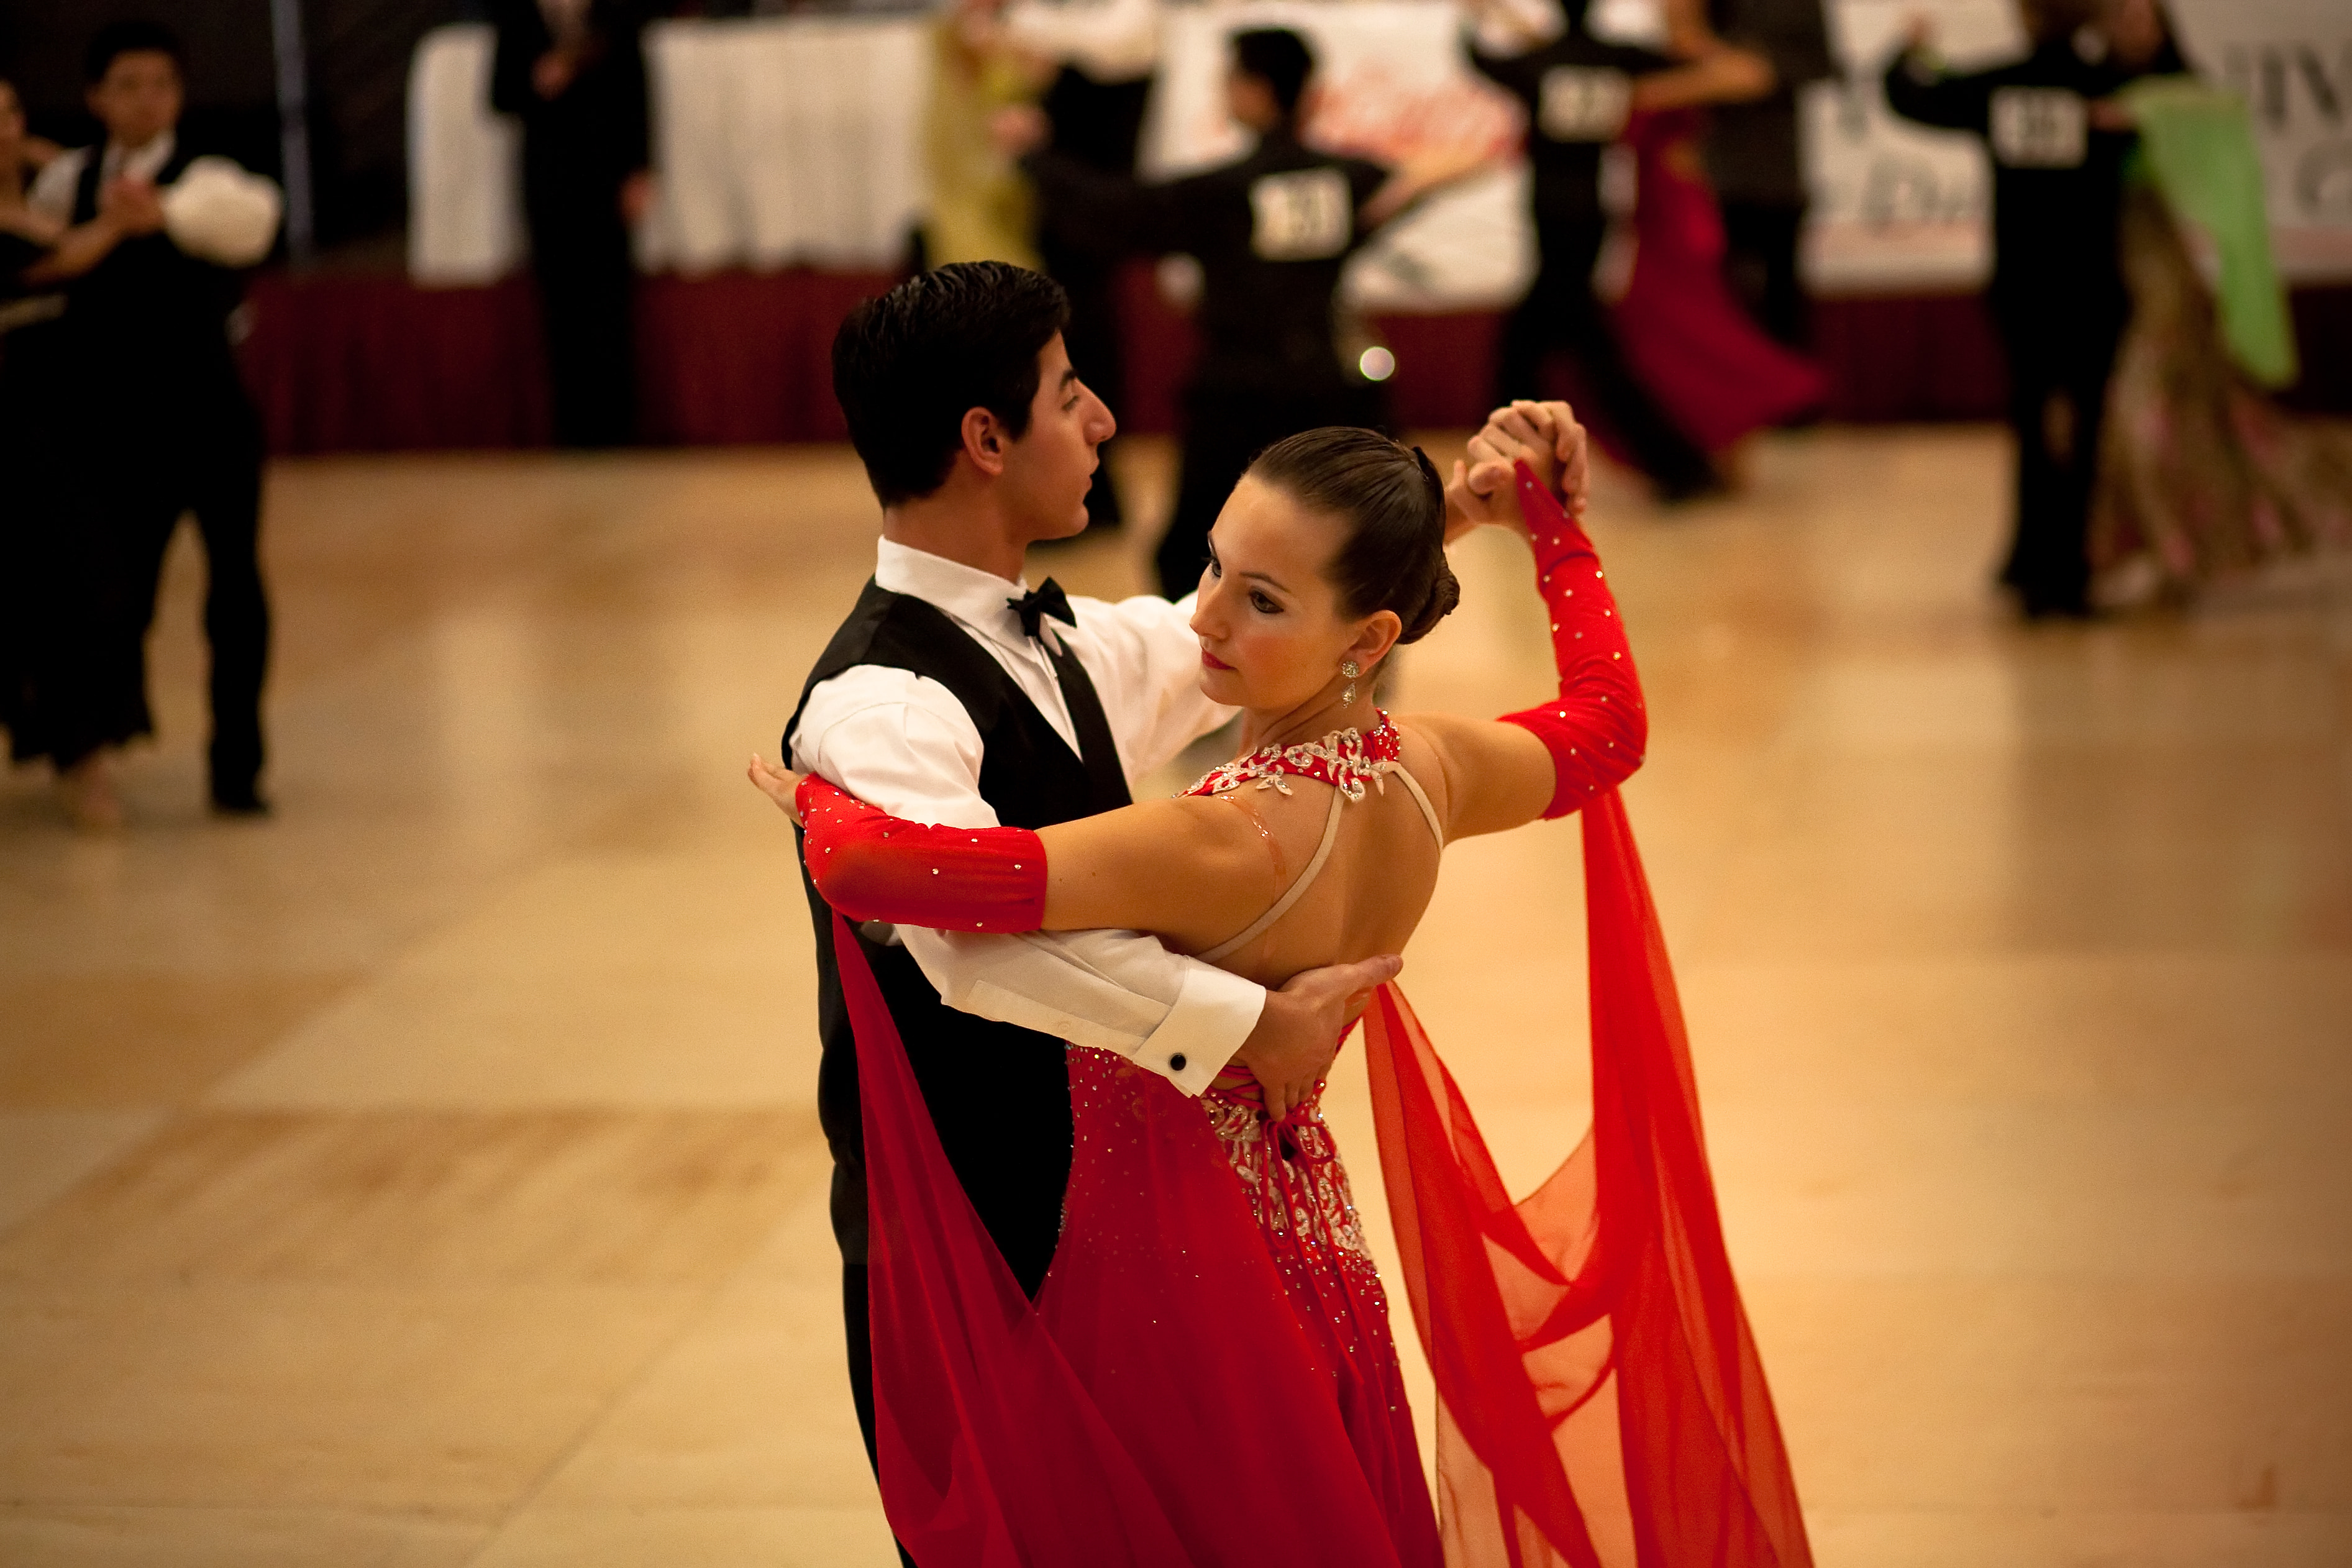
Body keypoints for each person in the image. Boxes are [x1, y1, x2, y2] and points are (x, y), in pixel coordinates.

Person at [752, 396, 1811, 1562]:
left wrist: (820, 794)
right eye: (1213, 563)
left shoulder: (1227, 841)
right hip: (1315, 1249)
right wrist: (1546, 535)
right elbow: (1610, 724)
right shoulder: (1431, 771)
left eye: (1258, 600)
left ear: (1367, 639)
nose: (1201, 613)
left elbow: (930, 874)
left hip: (1170, 1268)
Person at [771, 260, 1410, 1565]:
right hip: (971, 1239)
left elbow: (1216, 636)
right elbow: (973, 951)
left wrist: (1453, 506)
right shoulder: (879, 707)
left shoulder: (1061, 644)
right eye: (1072, 395)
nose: (1107, 419)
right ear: (985, 440)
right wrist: (1252, 1031)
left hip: (1110, 1220)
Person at [1002, 27, 1479, 598]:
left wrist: (1032, 156)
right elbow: (1439, 168)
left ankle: (1207, 672)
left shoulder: (1225, 191)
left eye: (1230, 80)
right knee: (1346, 551)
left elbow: (1111, 214)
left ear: (1253, 90)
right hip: (1330, 391)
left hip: (1237, 397)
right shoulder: (1345, 180)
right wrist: (1390, 202)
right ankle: (1345, 676)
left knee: (1188, 556)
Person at [24, 22, 283, 816]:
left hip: (211, 422)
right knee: (117, 596)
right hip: (116, 433)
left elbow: (247, 218)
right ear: (97, 98)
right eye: (130, 85)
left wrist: (159, 214)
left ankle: (236, 765)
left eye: (163, 84)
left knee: (234, 591)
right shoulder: (68, 184)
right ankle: (90, 748)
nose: (148, 100)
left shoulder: (206, 174)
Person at [2087, 0, 2352, 601]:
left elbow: (2208, 145)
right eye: (2121, 20)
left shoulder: (2184, 98)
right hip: (2107, 285)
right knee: (2143, 434)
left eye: (2142, 19)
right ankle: (2156, 554)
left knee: (2149, 422)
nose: (2132, 30)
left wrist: (2144, 120)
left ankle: (2180, 554)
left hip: (2162, 286)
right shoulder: (2088, 91)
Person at [1883, 0, 2135, 618]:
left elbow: (1910, 96)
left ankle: (2029, 563)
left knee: (2031, 419)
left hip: (2022, 285)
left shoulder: (1998, 86)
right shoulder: (2113, 89)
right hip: (2092, 285)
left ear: (2024, 18)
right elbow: (2192, 111)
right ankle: (2068, 573)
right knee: (2085, 427)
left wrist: (1908, 48)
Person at [1462, 0, 1727, 501]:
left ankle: (1678, 467)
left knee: (1566, 339)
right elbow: (1690, 65)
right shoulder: (1618, 55)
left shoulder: (1539, 61)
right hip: (1595, 204)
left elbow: (1482, 59)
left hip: (1548, 207)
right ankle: (1500, 458)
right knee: (1536, 334)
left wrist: (1477, 18)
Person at [998, 0, 1161, 532]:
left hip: (1095, 225)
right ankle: (1077, 495)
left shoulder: (1125, 23)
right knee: (1067, 355)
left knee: (1086, 357)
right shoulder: (1074, 29)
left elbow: (1114, 41)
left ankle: (1093, 498)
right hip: (1062, 223)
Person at [490, 0, 651, 448]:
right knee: (560, 305)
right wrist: (536, 82)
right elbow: (498, 95)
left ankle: (618, 426)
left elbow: (636, 92)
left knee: (609, 303)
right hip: (549, 183)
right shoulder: (520, 20)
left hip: (604, 177)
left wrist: (639, 170)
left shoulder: (613, 15)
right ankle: (572, 426)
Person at [923, 0, 1047, 270]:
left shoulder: (1029, 25)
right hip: (964, 160)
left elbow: (1040, 80)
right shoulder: (954, 32)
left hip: (1008, 168)